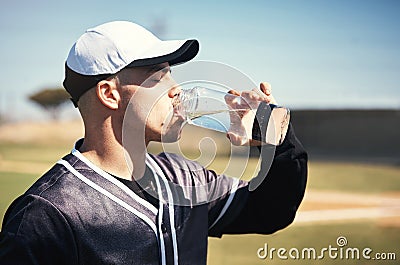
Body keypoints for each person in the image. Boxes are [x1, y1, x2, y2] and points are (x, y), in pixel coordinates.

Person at [0, 21, 307, 265]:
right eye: (158, 76)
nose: (175, 89)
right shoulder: (46, 216)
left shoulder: (185, 179)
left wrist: (274, 134)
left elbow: (273, 210)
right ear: (109, 94)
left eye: (170, 74)